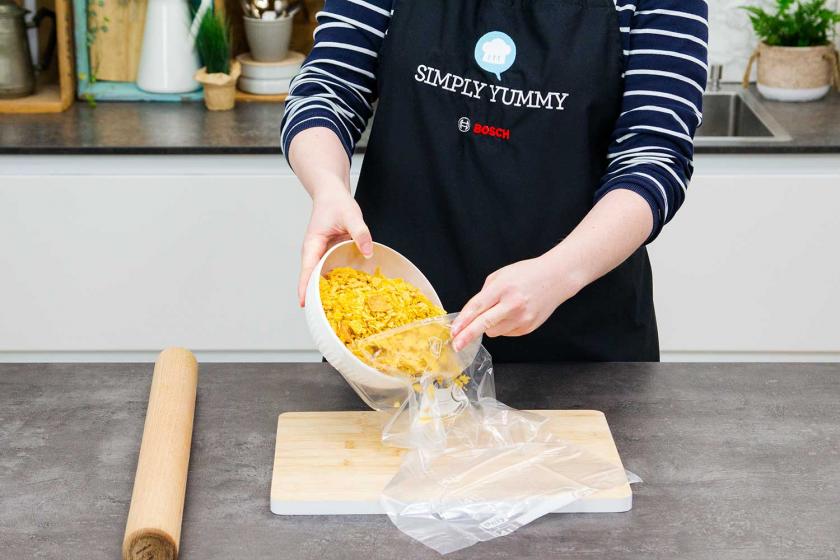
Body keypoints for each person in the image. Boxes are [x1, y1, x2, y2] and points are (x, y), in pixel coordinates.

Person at [282, 0, 708, 362]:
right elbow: (328, 88)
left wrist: (558, 274)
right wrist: (328, 188)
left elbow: (654, 157)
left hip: (579, 352)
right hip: (390, 338)